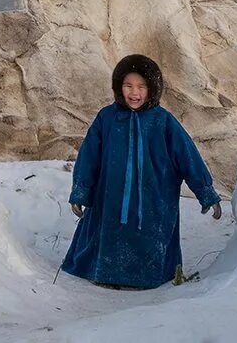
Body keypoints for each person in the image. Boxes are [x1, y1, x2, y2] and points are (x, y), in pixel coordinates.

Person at [60, 54, 223, 289]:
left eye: (141, 87)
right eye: (128, 86)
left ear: (152, 89)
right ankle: (106, 274)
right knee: (109, 235)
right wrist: (81, 190)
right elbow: (89, 157)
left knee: (149, 238)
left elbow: (188, 156)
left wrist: (205, 191)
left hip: (154, 200)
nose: (134, 93)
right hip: (110, 199)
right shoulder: (107, 118)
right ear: (118, 87)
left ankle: (144, 278)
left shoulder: (163, 121)